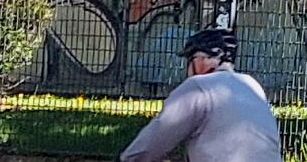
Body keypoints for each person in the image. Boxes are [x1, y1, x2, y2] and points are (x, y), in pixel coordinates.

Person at [117, 26, 284, 162]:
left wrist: (127, 158)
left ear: (201, 60)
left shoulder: (198, 86)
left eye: (190, 60)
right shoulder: (251, 85)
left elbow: (155, 140)